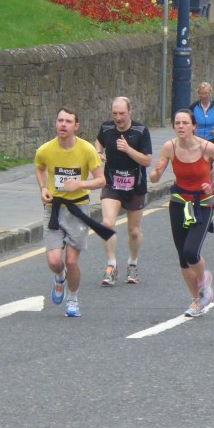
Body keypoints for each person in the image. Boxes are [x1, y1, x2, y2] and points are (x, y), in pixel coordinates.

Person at [35, 107, 108, 317]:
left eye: (68, 121)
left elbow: (101, 180)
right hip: (54, 208)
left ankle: (73, 299)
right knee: (55, 261)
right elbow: (40, 167)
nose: (63, 125)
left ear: (76, 126)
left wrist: (79, 184)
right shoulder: (45, 150)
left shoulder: (86, 150)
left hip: (78, 208)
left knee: (72, 261)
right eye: (60, 120)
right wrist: (43, 188)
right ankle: (59, 278)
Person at [150, 110, 214, 317]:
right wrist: (156, 171)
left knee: (191, 252)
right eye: (177, 123)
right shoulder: (169, 147)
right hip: (179, 203)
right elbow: (154, 179)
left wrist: (213, 184)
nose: (180, 126)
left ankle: (204, 281)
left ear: (194, 126)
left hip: (203, 203)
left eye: (184, 123)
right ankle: (196, 300)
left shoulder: (207, 147)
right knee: (183, 257)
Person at [95, 97, 153, 286]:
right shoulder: (106, 128)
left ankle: (133, 263)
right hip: (112, 184)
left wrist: (128, 149)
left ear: (130, 112)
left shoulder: (141, 131)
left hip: (135, 187)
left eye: (121, 113)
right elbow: (98, 141)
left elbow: (147, 161)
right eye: (114, 114)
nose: (118, 118)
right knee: (107, 223)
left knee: (134, 231)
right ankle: (111, 265)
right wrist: (99, 153)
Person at [189, 82, 214, 146]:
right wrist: (192, 130)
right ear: (198, 93)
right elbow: (188, 121)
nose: (204, 96)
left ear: (210, 93)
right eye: (201, 93)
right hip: (196, 138)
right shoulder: (193, 107)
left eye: (206, 93)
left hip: (212, 138)